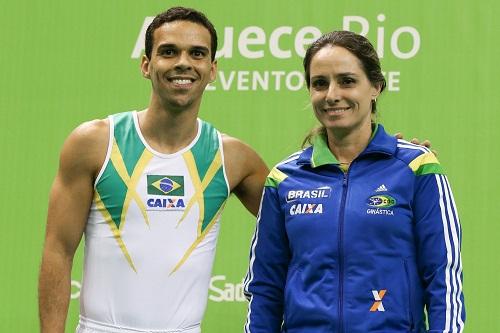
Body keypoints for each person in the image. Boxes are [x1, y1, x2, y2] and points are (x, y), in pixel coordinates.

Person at [38, 7, 268, 333]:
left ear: (212, 69)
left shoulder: (234, 159)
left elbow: (300, 227)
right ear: (146, 65)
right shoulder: (94, 143)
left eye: (197, 53)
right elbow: (58, 251)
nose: (183, 62)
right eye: (169, 52)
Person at [244, 30, 465, 333]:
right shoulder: (284, 178)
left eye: (347, 81)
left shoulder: (417, 167)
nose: (332, 95)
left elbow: (444, 278)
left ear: (375, 87)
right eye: (319, 83)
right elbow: (265, 287)